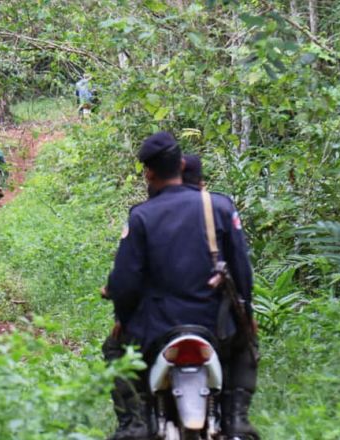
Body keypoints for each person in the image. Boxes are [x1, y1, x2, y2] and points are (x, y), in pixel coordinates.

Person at [102, 131, 258, 440]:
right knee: (247, 344)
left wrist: (122, 318)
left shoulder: (141, 216)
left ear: (149, 172)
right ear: (182, 163)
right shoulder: (221, 208)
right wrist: (247, 312)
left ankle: (135, 424)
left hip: (156, 328)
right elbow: (242, 272)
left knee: (114, 348)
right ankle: (237, 420)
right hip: (215, 327)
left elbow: (125, 282)